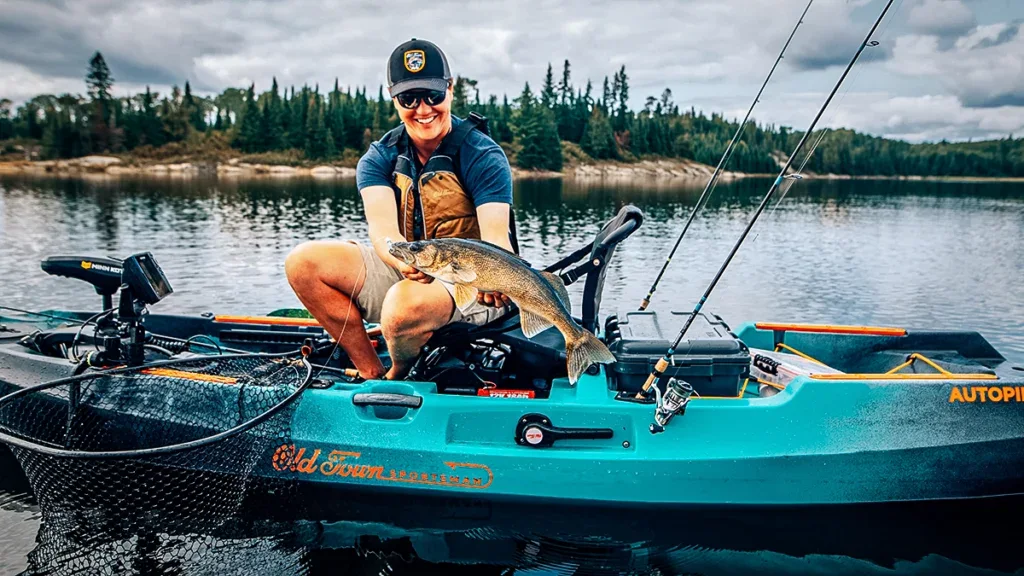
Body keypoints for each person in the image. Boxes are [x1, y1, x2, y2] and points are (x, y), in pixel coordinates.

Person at [285, 38, 517, 381]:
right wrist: (403, 262)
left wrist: (494, 280)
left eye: (433, 96)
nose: (423, 109)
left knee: (401, 308)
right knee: (303, 263)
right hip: (414, 266)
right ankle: (370, 373)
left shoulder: (483, 155)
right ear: (394, 98)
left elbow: (498, 240)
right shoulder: (380, 157)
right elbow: (383, 234)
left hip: (473, 282)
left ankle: (398, 377)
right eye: (409, 98)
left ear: (450, 90)